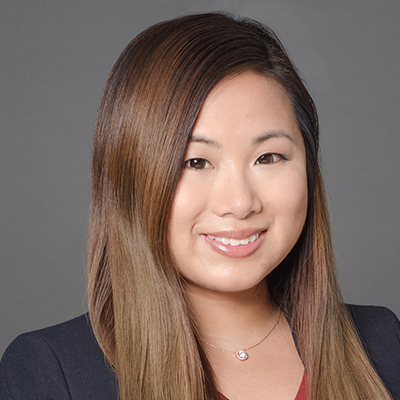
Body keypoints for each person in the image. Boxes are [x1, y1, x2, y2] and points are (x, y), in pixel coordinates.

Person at [0, 12, 399, 400]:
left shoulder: (382, 343)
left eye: (268, 157)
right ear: (130, 180)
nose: (239, 203)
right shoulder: (51, 373)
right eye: (195, 162)